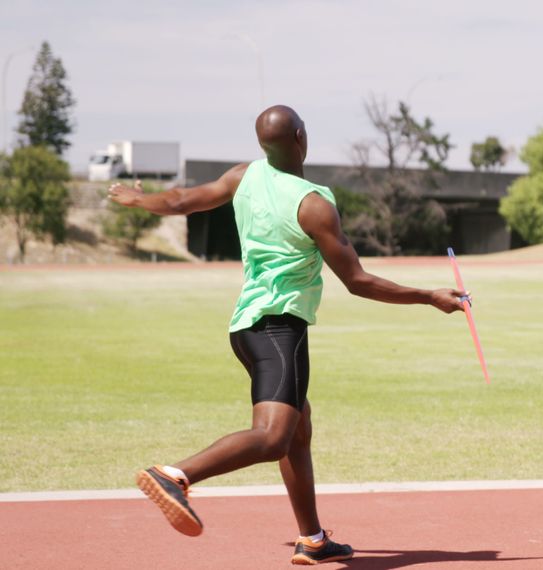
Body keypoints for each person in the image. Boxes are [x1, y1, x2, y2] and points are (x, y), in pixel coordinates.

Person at [108, 105, 465, 565]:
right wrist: (428, 297)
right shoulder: (314, 203)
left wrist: (139, 200)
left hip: (245, 327)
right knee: (275, 436)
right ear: (300, 137)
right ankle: (174, 475)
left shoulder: (243, 176)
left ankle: (312, 540)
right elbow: (357, 280)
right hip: (280, 328)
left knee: (298, 429)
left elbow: (180, 201)